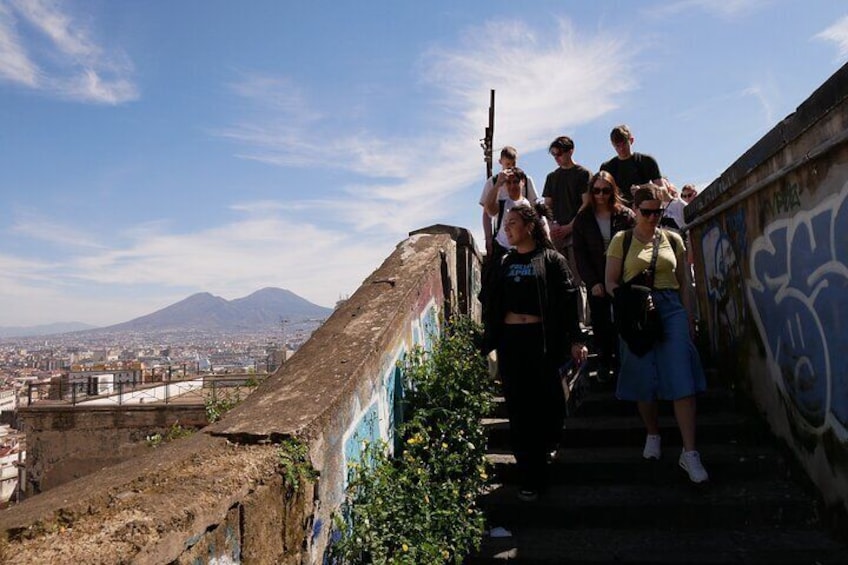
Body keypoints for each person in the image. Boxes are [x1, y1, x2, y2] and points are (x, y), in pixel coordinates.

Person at [480, 204, 588, 500]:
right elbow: (489, 303)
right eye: (505, 224)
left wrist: (575, 339)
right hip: (512, 342)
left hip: (542, 341)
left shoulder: (551, 260)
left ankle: (543, 453)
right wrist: (488, 343)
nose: (507, 228)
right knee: (518, 408)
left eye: (513, 222)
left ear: (529, 226)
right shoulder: (502, 263)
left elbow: (568, 303)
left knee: (547, 408)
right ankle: (530, 475)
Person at [604, 185, 709, 484]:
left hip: (670, 306)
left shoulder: (673, 239)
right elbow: (610, 281)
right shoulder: (621, 241)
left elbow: (683, 284)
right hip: (636, 310)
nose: (652, 217)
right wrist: (629, 301)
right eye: (646, 211)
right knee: (642, 374)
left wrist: (690, 317)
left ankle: (690, 452)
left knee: (681, 374)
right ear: (635, 211)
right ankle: (653, 432)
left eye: (657, 211)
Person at [572, 171, 635, 383]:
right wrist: (592, 282)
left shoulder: (624, 215)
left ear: (613, 191)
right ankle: (604, 361)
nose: (601, 195)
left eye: (605, 190)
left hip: (622, 276)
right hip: (597, 276)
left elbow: (636, 245)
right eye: (596, 190)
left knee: (623, 320)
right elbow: (580, 254)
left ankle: (621, 362)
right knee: (600, 322)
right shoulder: (583, 218)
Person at [543, 136, 591, 325]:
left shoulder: (583, 174)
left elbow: (586, 204)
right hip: (557, 234)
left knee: (577, 279)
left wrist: (570, 227)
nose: (556, 157)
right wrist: (553, 224)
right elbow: (547, 205)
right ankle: (564, 321)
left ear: (570, 151)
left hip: (578, 233)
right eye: (554, 154)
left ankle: (580, 321)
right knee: (559, 279)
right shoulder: (552, 177)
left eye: (559, 153)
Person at [479, 146, 539, 259]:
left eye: (513, 164)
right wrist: (488, 238)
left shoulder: (525, 180)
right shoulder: (492, 182)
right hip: (503, 239)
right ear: (500, 162)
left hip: (524, 238)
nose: (511, 168)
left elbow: (534, 209)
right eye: (507, 164)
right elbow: (487, 213)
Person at [600, 125, 662, 208]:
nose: (621, 149)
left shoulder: (646, 161)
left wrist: (643, 188)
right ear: (612, 145)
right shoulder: (607, 167)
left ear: (631, 140)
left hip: (645, 210)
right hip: (619, 211)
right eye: (617, 146)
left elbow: (661, 189)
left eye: (624, 144)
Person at [483, 167, 534, 263]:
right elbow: (489, 208)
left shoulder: (528, 206)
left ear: (522, 182)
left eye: (515, 182)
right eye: (509, 183)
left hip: (523, 252)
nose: (512, 186)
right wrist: (498, 183)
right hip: (502, 250)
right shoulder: (503, 204)